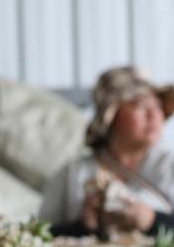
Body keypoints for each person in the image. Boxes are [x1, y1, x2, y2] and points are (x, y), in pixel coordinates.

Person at [42, 66, 174, 237]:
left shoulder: (168, 167)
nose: (153, 115)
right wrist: (83, 226)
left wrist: (151, 220)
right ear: (112, 114)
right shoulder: (72, 174)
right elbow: (41, 236)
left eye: (157, 106)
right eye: (140, 106)